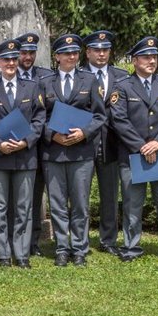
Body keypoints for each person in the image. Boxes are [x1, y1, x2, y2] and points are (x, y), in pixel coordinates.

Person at [110, 36, 158, 264]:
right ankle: (131, 248)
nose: (152, 60)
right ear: (134, 60)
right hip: (133, 156)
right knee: (132, 204)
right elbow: (119, 119)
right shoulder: (122, 87)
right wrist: (142, 146)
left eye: (154, 57)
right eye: (146, 57)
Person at [39, 34, 106, 267]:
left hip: (81, 153)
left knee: (79, 203)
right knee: (57, 204)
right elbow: (38, 117)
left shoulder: (89, 81)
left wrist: (84, 133)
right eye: (66, 53)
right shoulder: (45, 82)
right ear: (57, 57)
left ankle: (79, 248)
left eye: (75, 52)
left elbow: (99, 116)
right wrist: (51, 134)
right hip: (54, 153)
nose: (71, 56)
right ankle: (61, 248)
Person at [0, 39, 45, 268]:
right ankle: (3, 254)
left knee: (24, 207)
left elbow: (39, 119)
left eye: (14, 59)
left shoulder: (32, 87)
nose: (10, 63)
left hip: (25, 157)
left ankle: (22, 253)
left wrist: (26, 142)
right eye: (6, 59)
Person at [82, 30, 128, 255]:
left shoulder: (121, 76)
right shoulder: (78, 75)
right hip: (83, 143)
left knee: (110, 194)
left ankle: (108, 240)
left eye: (105, 50)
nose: (101, 54)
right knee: (81, 195)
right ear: (88, 52)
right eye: (97, 50)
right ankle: (80, 240)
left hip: (111, 143)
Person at [14, 32, 54, 256]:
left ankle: (33, 242)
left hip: (42, 146)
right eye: (23, 52)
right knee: (18, 197)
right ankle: (16, 239)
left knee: (36, 196)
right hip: (16, 144)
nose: (28, 56)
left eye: (31, 52)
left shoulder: (46, 76)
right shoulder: (7, 75)